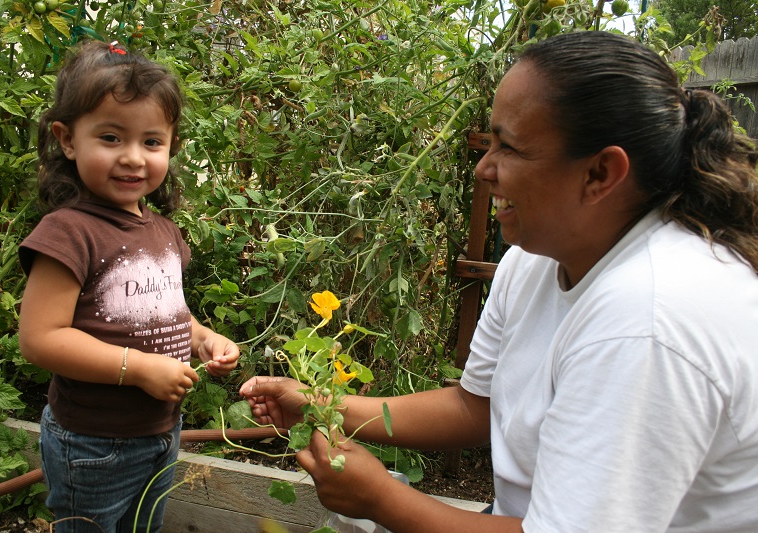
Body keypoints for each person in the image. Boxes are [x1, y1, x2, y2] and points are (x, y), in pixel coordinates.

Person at [240, 30, 758, 532]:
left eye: (508, 148)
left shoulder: (649, 319)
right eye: (488, 142)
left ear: (601, 173)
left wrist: (382, 499)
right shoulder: (536, 257)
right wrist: (319, 403)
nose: (483, 168)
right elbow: (475, 406)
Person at [18, 40, 240, 532]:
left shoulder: (163, 230)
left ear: (171, 145)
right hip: (93, 441)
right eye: (112, 138)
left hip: (161, 432)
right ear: (68, 139)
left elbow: (169, 310)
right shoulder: (68, 232)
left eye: (151, 142)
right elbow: (40, 338)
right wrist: (137, 368)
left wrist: (204, 339)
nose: (133, 158)